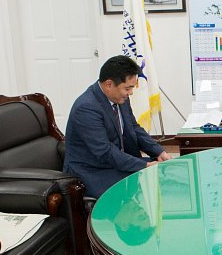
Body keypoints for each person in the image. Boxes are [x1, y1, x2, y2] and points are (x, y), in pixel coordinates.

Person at [64, 55, 171, 198]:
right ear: (109, 84)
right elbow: (104, 152)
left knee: (163, 172)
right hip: (92, 171)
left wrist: (159, 152)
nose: (131, 92)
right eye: (128, 88)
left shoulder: (120, 98)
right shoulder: (86, 108)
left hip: (115, 162)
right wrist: (144, 166)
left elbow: (134, 128)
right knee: (145, 181)